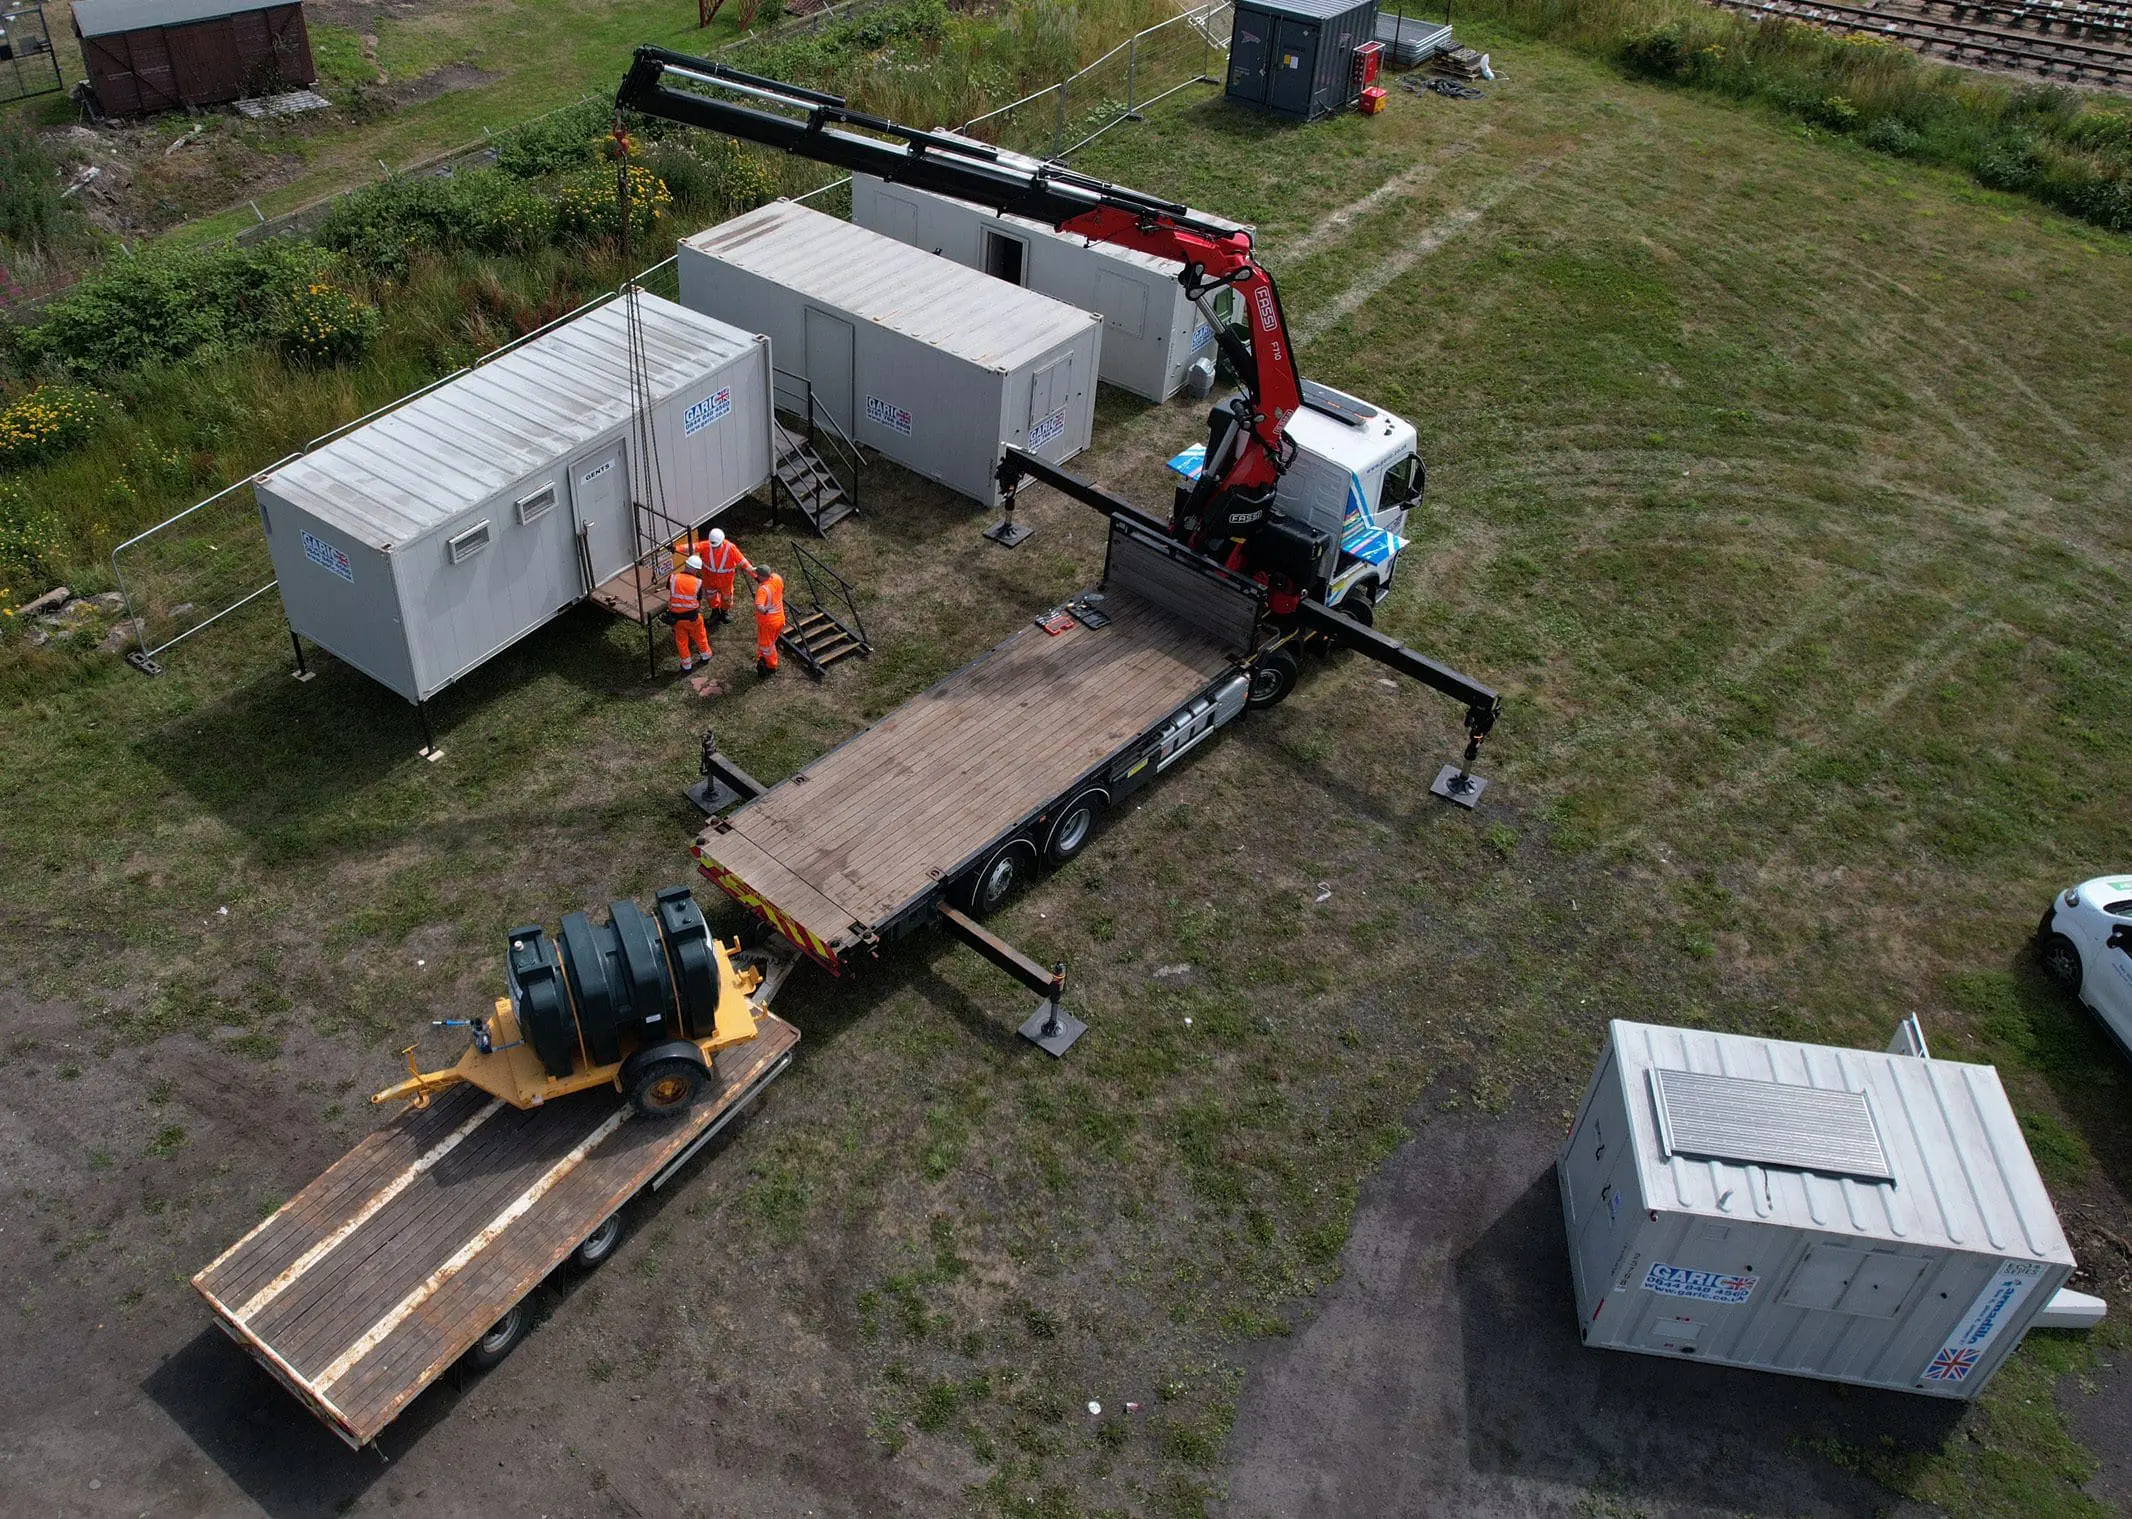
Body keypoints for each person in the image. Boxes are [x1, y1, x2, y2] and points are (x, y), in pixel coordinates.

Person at [697, 527, 752, 627]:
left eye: (717, 546)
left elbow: (743, 562)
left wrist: (755, 574)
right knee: (711, 596)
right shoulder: (706, 545)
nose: (714, 548)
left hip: (725, 581)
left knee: (727, 598)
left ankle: (724, 612)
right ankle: (715, 612)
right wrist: (676, 548)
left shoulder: (730, 548)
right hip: (709, 580)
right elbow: (692, 546)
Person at [666, 554, 710, 672]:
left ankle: (686, 666)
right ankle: (705, 656)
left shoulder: (672, 578)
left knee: (682, 642)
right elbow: (699, 599)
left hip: (677, 619)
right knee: (700, 637)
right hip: (693, 618)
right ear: (696, 570)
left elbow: (669, 589)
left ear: (686, 565)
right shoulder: (698, 583)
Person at [753, 562, 785, 677]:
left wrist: (763, 610)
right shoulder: (776, 578)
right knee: (771, 640)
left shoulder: (762, 590)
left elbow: (759, 605)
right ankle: (763, 656)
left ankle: (771, 666)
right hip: (780, 618)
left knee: (766, 646)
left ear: (761, 576)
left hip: (768, 623)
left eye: (757, 575)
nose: (756, 576)